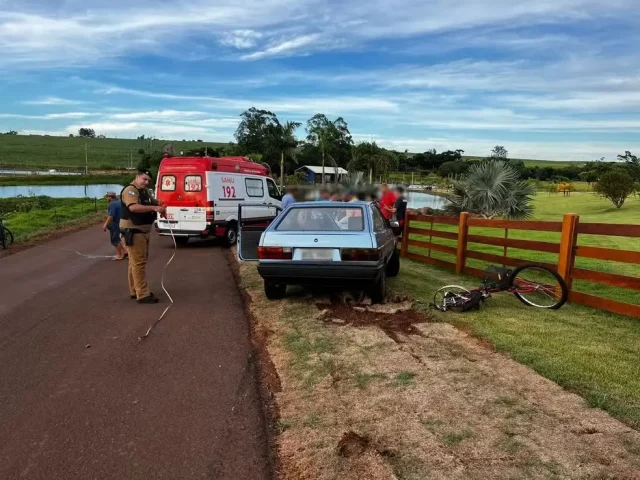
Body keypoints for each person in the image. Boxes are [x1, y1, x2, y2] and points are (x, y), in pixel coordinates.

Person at [119, 168, 166, 304]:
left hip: (142, 231)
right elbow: (133, 207)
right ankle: (143, 293)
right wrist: (154, 208)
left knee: (134, 262)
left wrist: (160, 204)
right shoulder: (131, 190)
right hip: (134, 231)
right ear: (137, 176)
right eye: (144, 179)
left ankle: (135, 289)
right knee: (139, 263)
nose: (146, 182)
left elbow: (152, 201)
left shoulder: (143, 191)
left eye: (148, 181)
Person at [103, 191, 127, 260]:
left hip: (115, 224)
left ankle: (119, 255)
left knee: (115, 240)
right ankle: (125, 252)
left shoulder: (112, 204)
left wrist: (105, 224)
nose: (106, 199)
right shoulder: (120, 202)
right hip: (122, 223)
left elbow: (111, 216)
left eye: (107, 197)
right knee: (119, 239)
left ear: (110, 197)